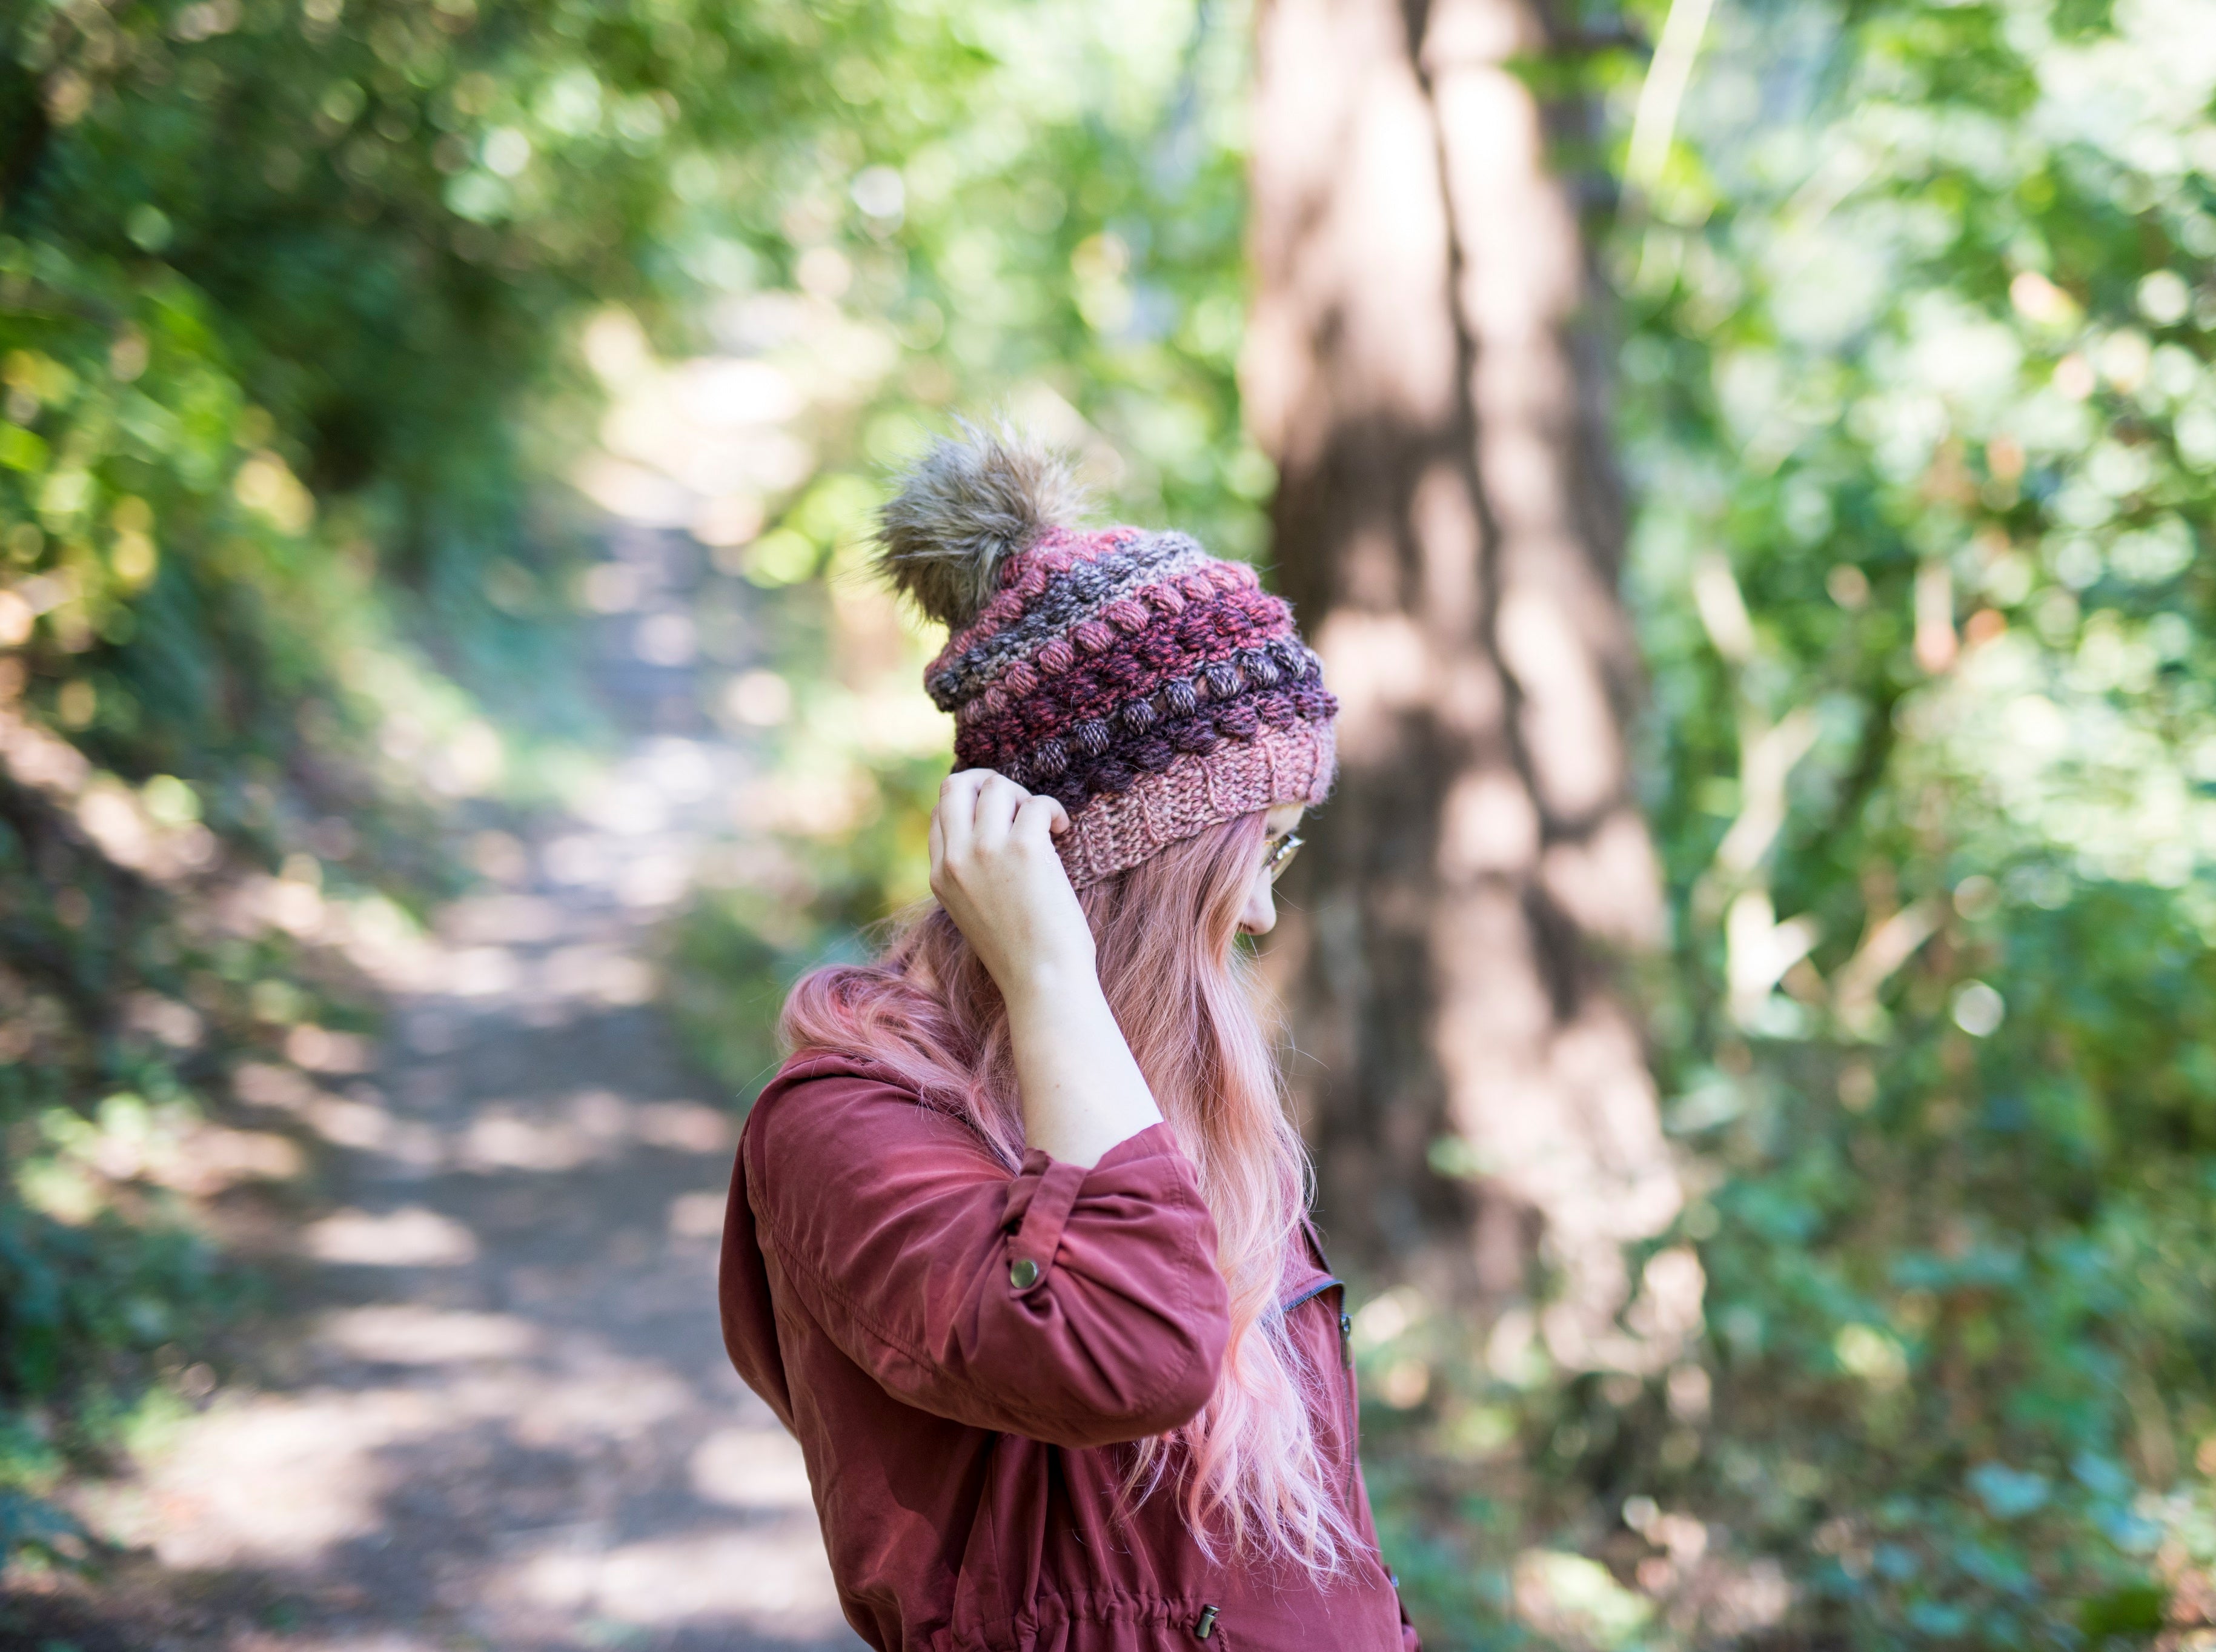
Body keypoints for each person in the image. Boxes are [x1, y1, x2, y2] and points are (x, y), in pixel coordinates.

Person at [718, 426, 1418, 1651]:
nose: (1261, 909)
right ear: (1132, 857)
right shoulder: (845, 1124)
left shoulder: (1159, 1103)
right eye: (1259, 847)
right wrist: (1044, 967)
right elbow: (1130, 1350)